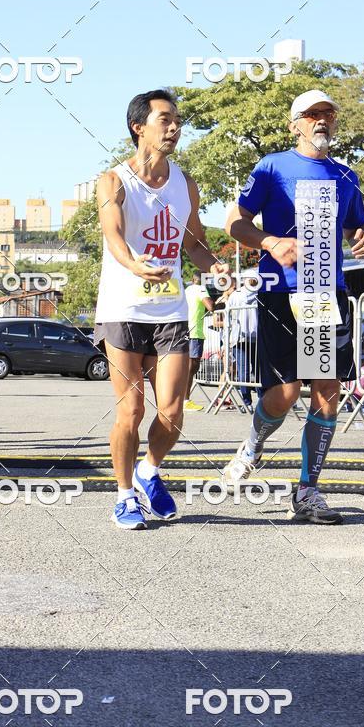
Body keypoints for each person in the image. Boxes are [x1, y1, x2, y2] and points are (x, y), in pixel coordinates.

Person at [223, 89, 364, 524]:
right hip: (279, 289)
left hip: (325, 293)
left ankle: (308, 491)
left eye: (328, 113)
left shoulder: (346, 176)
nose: (322, 120)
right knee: (287, 391)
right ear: (296, 124)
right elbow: (234, 223)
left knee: (327, 389)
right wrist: (270, 241)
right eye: (312, 114)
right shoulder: (272, 167)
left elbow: (356, 230)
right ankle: (253, 444)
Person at [95, 89, 227, 529]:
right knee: (130, 411)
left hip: (170, 312)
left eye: (177, 121)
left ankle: (150, 469)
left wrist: (216, 268)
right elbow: (113, 235)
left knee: (171, 412)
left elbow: (193, 243)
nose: (174, 128)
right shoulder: (113, 180)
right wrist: (134, 264)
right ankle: (124, 494)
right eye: (165, 120)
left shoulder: (184, 183)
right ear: (139, 127)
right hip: (122, 309)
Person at [226, 270, 258, 411]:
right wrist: (226, 339)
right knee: (244, 371)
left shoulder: (261, 294)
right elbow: (227, 317)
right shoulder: (236, 295)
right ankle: (247, 401)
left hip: (255, 338)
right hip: (240, 338)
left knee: (257, 371)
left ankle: (259, 401)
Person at [184, 270, 215, 411]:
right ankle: (185, 400)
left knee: (185, 368)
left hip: (184, 330)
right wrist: (225, 304)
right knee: (192, 368)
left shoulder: (187, 289)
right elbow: (211, 306)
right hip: (195, 332)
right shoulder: (201, 289)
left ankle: (180, 399)